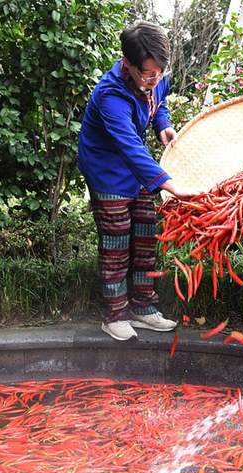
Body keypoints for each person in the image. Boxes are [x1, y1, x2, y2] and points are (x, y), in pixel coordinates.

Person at [78, 21, 195, 342]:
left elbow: (160, 100)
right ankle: (114, 314)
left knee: (145, 234)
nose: (154, 79)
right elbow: (128, 144)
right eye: (147, 73)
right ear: (126, 63)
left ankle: (143, 307)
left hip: (137, 167)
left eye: (159, 72)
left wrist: (163, 124)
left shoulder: (154, 75)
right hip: (107, 168)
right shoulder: (109, 95)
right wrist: (168, 183)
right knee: (116, 241)